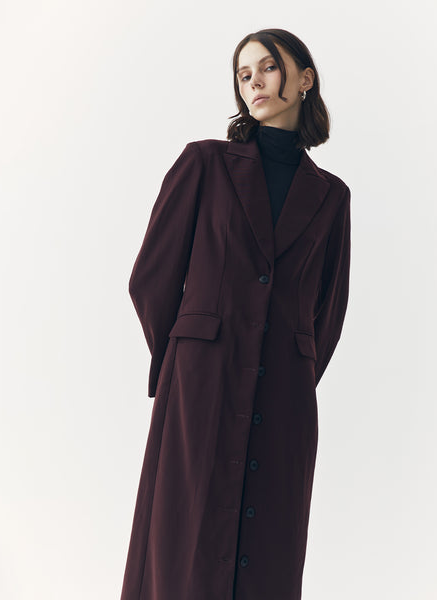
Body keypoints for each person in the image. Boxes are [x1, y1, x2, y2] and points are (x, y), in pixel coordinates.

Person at [120, 28, 351, 600]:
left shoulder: (332, 196)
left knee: (271, 545)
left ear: (305, 78)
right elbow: (151, 278)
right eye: (244, 75)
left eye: (268, 67)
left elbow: (327, 309)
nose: (254, 83)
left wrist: (294, 370)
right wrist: (185, 361)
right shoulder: (205, 163)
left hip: (285, 398)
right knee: (183, 542)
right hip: (202, 384)